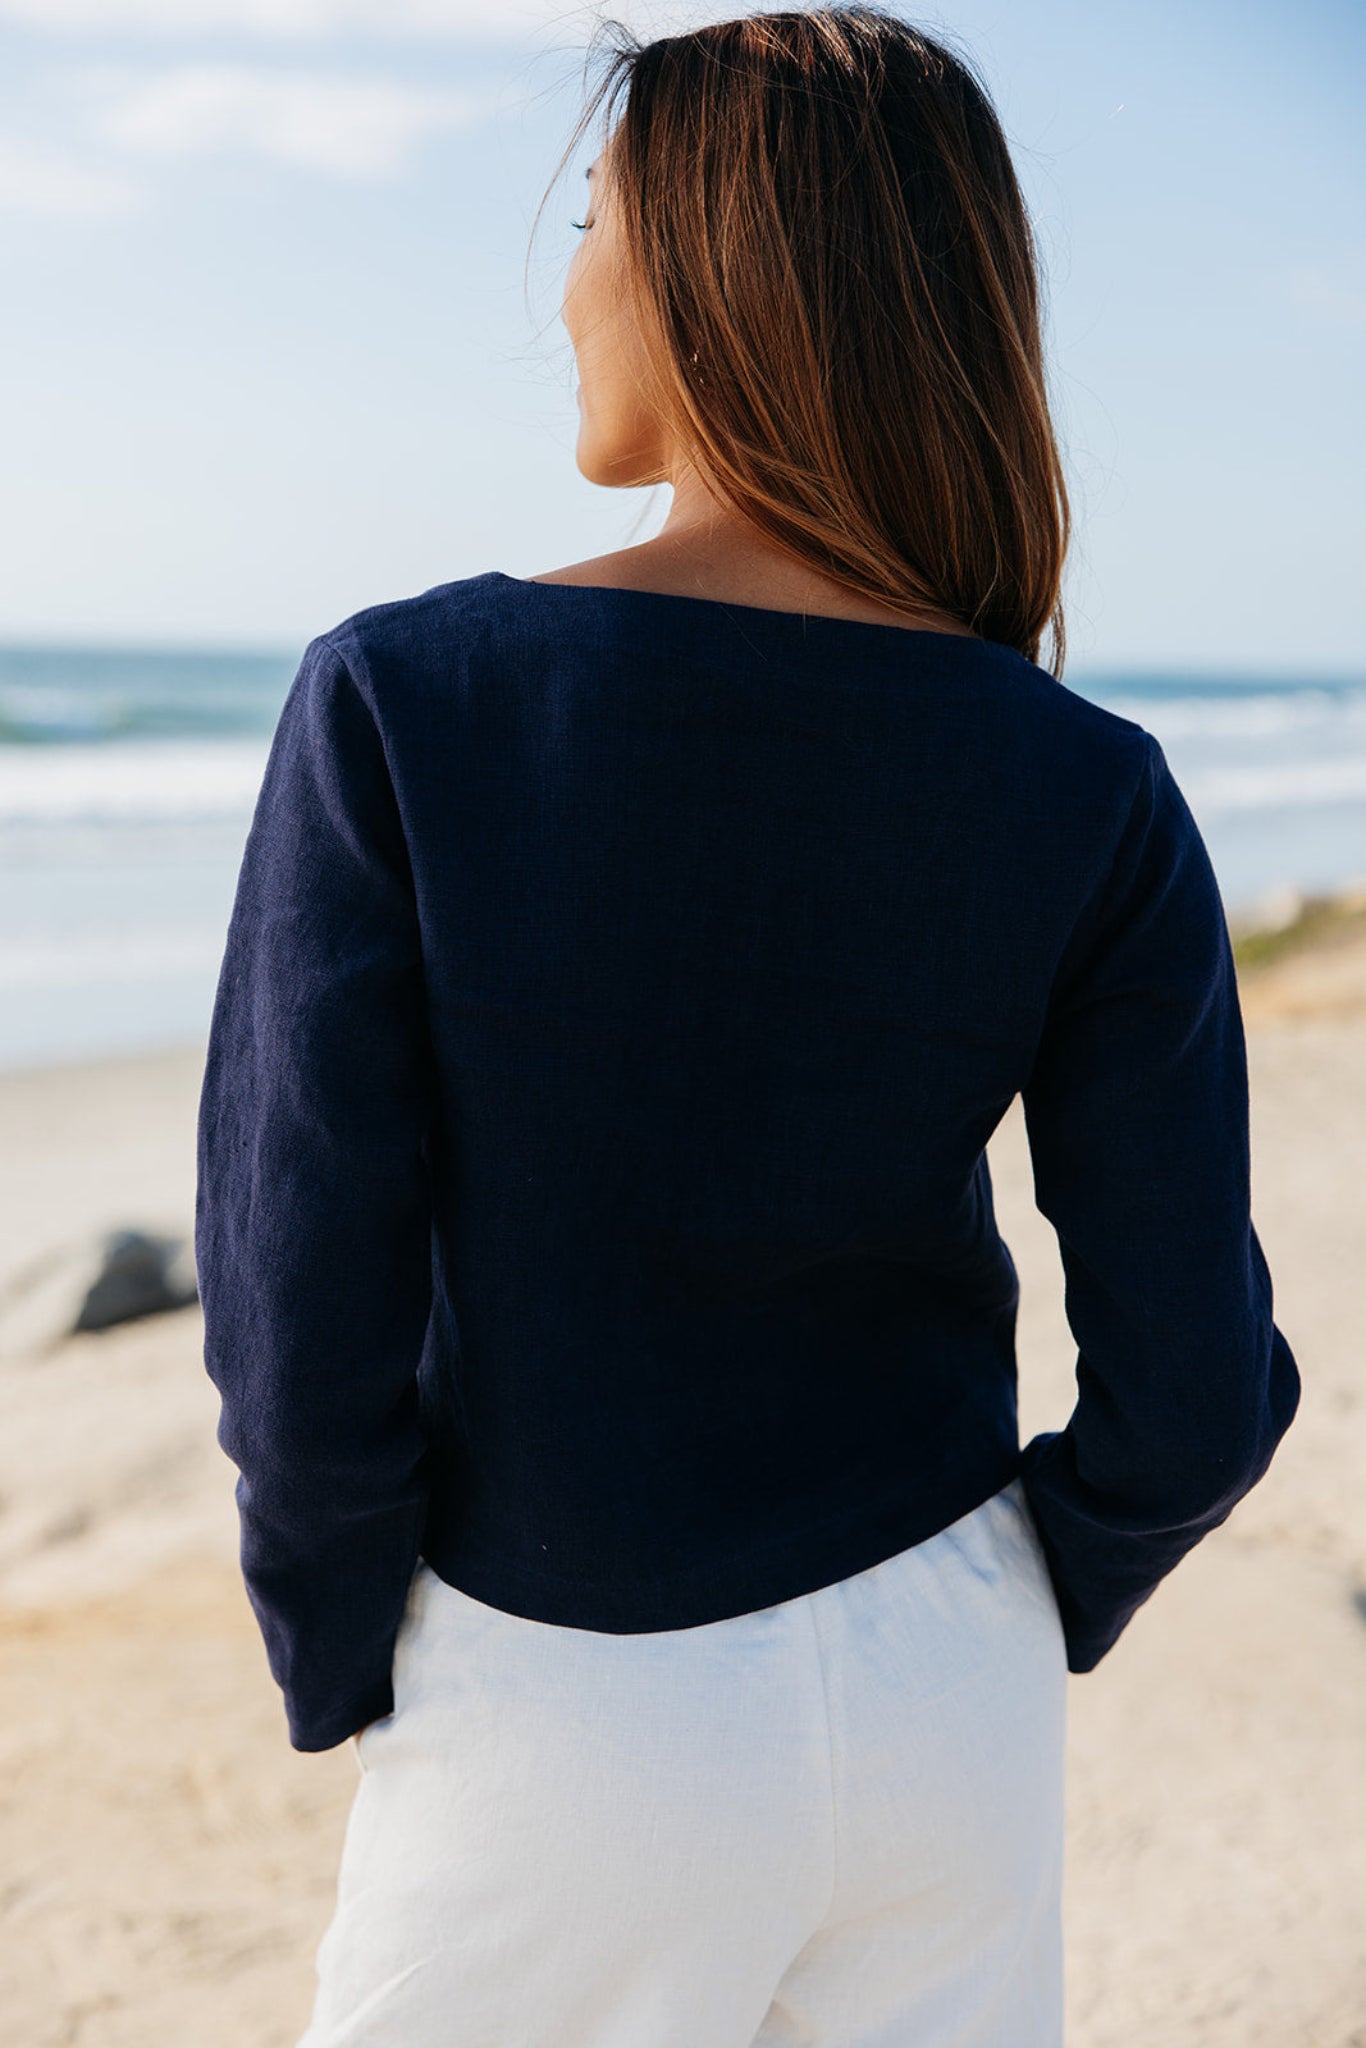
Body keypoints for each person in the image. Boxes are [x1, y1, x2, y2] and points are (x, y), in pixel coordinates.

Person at [194, 9, 1301, 2045]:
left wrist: (348, 1653)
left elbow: (297, 1318)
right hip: (949, 1686)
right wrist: (1028, 1582)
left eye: (597, 217)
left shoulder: (405, 704)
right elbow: (1197, 1387)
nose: (565, 286)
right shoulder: (1090, 784)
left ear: (710, 265)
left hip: (557, 1679)